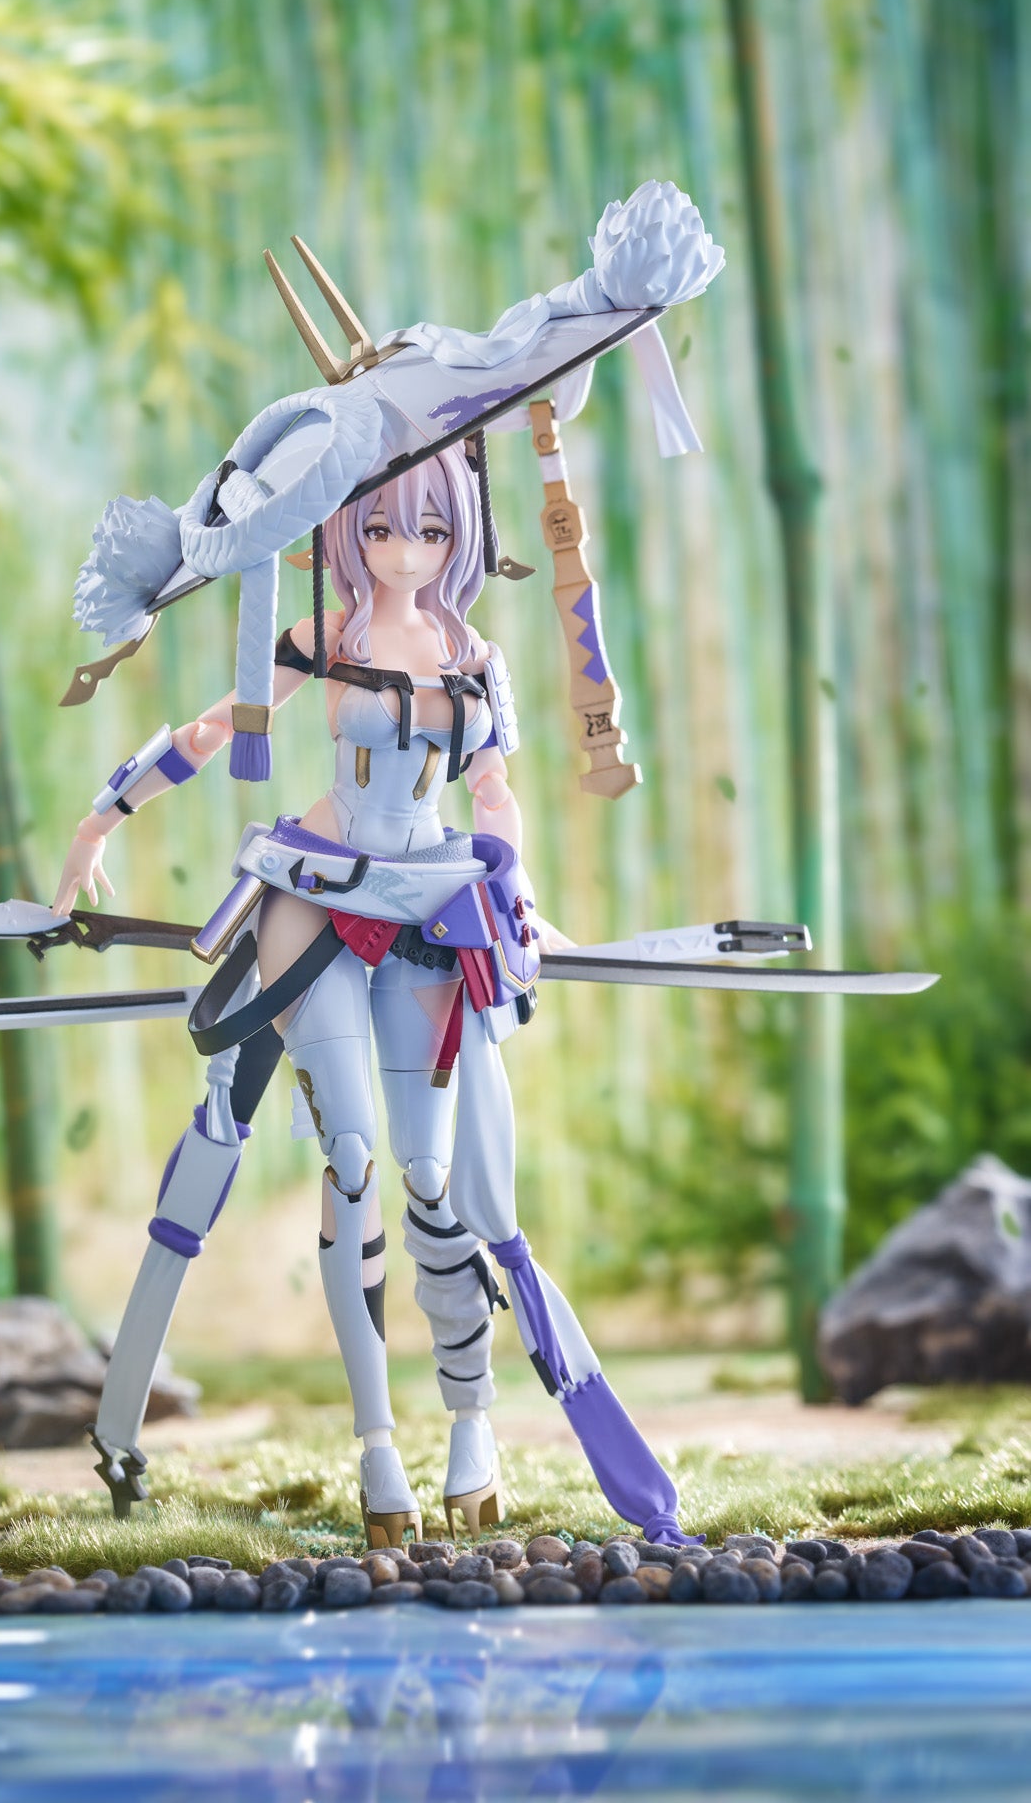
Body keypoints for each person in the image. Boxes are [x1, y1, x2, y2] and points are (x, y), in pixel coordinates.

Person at [53, 442, 700, 1551]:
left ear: (461, 536)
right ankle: (376, 1441)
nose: (405, 551)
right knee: (348, 1155)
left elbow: (493, 791)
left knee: (435, 1177)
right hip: (313, 889)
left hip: (431, 901)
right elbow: (213, 729)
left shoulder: (476, 657)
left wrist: (519, 893)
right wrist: (99, 818)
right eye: (384, 527)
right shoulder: (323, 636)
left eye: (431, 530)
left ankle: (471, 1424)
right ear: (348, 531)